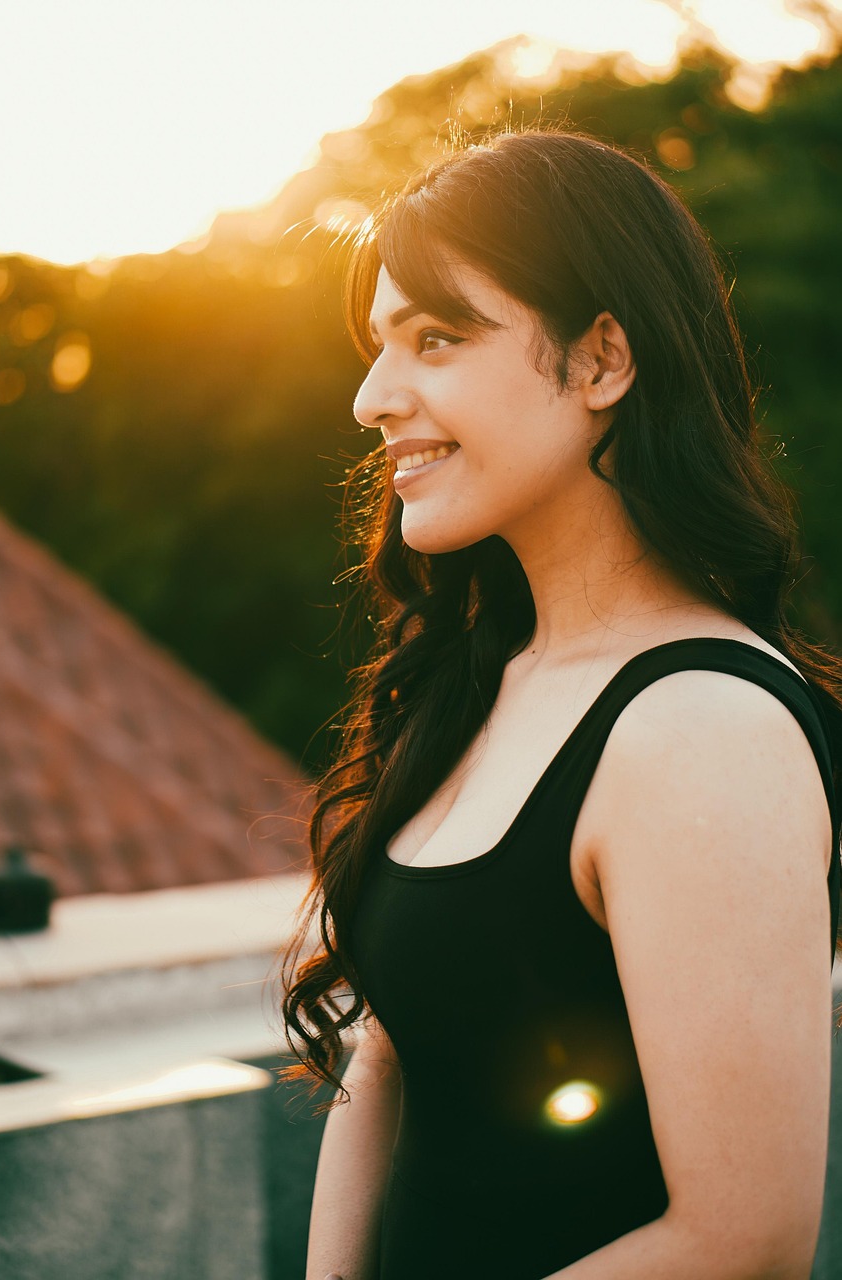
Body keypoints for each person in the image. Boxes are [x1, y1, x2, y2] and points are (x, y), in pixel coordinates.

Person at [281, 128, 842, 1280]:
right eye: (377, 346)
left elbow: (743, 1238)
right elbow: (395, 1054)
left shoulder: (702, 731)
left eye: (433, 338)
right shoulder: (484, 679)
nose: (369, 398)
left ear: (601, 362)